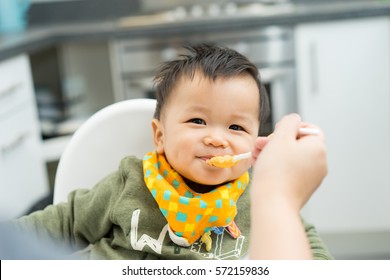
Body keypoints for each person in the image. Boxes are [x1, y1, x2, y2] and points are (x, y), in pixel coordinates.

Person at [8, 43, 331, 260]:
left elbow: (306, 241)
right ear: (160, 136)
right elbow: (63, 223)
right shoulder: (129, 182)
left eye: (236, 128)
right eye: (197, 120)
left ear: (257, 141)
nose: (217, 139)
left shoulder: (260, 193)